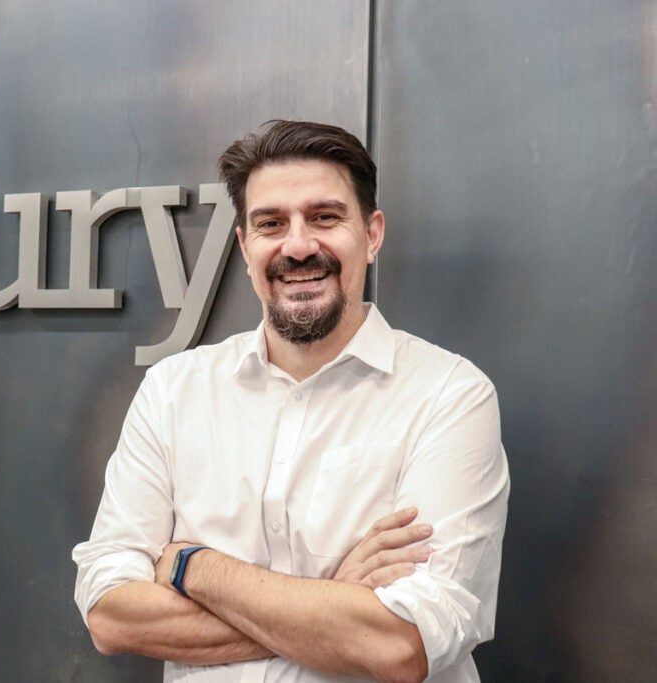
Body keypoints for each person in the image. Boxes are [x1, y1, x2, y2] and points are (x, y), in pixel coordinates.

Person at [72, 120, 509, 682]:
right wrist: (334, 601)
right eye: (271, 224)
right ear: (244, 245)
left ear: (372, 234)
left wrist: (192, 566)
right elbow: (111, 615)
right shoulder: (173, 390)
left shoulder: (449, 395)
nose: (298, 247)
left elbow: (402, 642)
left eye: (325, 217)